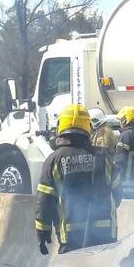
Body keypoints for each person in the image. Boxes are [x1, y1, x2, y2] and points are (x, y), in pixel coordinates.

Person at [35, 104, 122, 255]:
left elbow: (45, 201)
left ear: (60, 127)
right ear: (87, 126)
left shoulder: (54, 160)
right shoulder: (103, 157)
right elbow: (118, 194)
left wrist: (43, 232)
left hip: (71, 237)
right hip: (105, 235)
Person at [114, 106, 134, 198]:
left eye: (121, 120)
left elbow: (119, 161)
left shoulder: (126, 135)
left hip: (125, 185)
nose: (120, 122)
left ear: (125, 120)